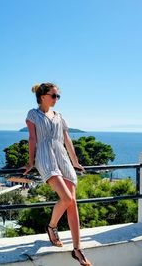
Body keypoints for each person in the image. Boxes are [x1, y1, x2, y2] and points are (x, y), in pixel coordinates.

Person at [23, 82, 93, 266]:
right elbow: (32, 138)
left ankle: (78, 249)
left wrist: (75, 161)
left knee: (72, 202)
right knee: (67, 197)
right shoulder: (33, 114)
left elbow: (67, 139)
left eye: (57, 96)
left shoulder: (59, 116)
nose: (56, 99)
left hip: (62, 157)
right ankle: (52, 226)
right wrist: (31, 162)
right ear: (43, 96)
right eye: (54, 96)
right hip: (45, 157)